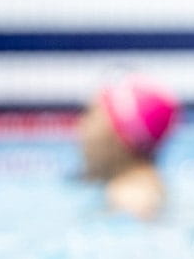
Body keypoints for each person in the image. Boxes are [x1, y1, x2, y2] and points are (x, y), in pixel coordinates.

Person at [77, 74, 181, 220]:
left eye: (91, 115)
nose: (80, 127)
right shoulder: (148, 187)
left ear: (119, 134)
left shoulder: (130, 198)